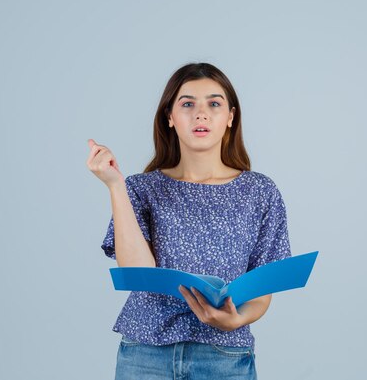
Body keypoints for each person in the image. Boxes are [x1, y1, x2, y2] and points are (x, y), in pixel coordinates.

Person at [86, 62, 291, 379]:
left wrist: (236, 320)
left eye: (213, 103)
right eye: (187, 104)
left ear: (230, 117)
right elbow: (136, 272)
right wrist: (115, 185)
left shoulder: (260, 192)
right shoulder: (141, 189)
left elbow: (262, 290)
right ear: (170, 116)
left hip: (224, 357)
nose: (201, 114)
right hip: (145, 354)